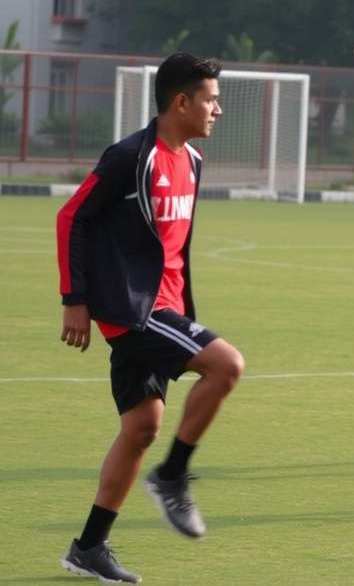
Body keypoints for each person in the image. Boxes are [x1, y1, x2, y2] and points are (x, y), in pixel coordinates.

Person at [56, 53, 244, 583]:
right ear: (181, 102)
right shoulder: (130, 157)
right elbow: (72, 217)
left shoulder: (193, 162)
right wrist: (75, 298)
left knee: (141, 428)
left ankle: (88, 548)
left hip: (166, 309)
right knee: (227, 365)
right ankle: (173, 476)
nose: (218, 110)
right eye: (210, 100)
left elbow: (173, 249)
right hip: (136, 312)